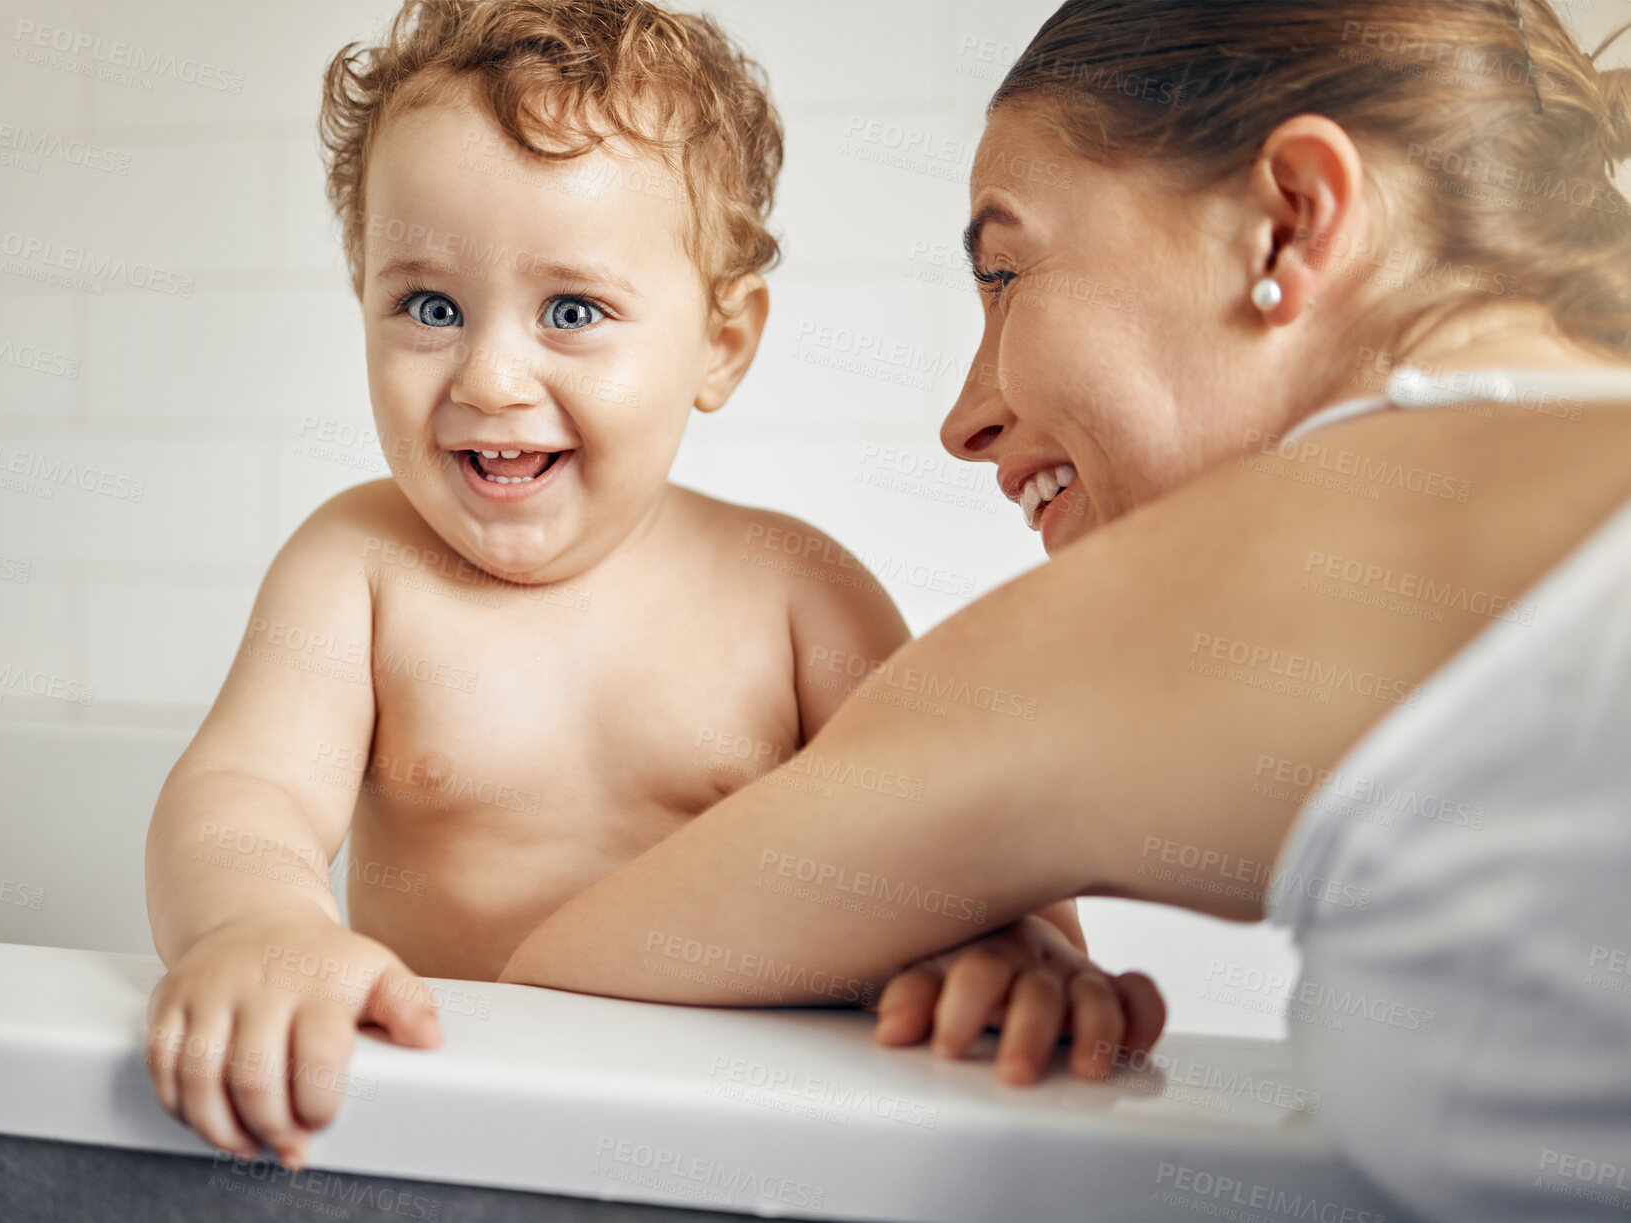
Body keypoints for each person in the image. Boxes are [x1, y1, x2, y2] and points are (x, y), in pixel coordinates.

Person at [496, 2, 1631, 1219]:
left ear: (1292, 218)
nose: (965, 416)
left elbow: (571, 971)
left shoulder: (1280, 556)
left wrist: (914, 918)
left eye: (1005, 271)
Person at [140, 0, 1159, 1175]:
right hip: (439, 1140)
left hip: (741, 1149)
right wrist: (255, 922)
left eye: (572, 311)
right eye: (429, 306)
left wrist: (1018, 948)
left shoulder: (797, 595)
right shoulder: (358, 567)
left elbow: (968, 834)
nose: (490, 372)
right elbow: (244, 791)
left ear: (721, 342)